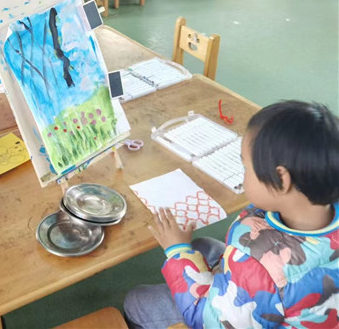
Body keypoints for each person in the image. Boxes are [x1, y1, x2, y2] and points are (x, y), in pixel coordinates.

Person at [124, 101, 339, 328]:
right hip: (272, 286)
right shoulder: (310, 204)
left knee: (137, 301)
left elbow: (208, 321)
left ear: (281, 180)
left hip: (227, 311)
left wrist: (177, 251)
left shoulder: (261, 268)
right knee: (203, 246)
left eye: (246, 168)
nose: (243, 174)